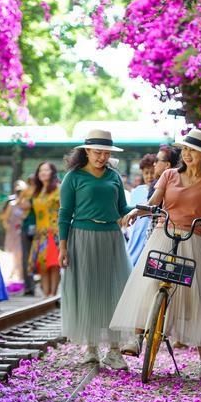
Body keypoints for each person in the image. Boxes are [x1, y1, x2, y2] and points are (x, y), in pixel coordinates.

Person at [110, 128, 201, 380]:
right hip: (163, 235)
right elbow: (153, 202)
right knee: (147, 285)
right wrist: (136, 212)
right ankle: (137, 337)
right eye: (184, 149)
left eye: (192, 151)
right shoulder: (170, 175)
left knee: (195, 298)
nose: (186, 154)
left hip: (191, 239)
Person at [58, 129, 133, 370]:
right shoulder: (74, 177)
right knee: (88, 289)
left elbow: (123, 206)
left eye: (106, 153)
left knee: (115, 290)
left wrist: (133, 212)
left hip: (111, 237)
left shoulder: (114, 176)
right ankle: (90, 348)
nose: (102, 157)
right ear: (87, 152)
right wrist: (63, 246)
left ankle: (114, 350)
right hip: (81, 237)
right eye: (97, 152)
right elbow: (64, 214)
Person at [29, 162, 60, 297]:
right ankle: (46, 295)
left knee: (54, 265)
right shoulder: (36, 191)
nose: (43, 173)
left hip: (54, 232)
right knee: (42, 265)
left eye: (46, 170)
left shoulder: (58, 189)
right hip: (40, 233)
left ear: (52, 173)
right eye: (40, 170)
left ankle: (52, 295)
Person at [125, 153, 156, 267]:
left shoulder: (159, 191)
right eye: (146, 173)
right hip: (136, 233)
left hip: (152, 232)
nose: (149, 176)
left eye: (152, 172)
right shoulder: (137, 191)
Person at [1, 180, 27, 285]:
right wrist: (8, 227)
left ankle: (20, 278)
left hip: (23, 233)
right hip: (13, 233)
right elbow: (4, 218)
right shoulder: (11, 203)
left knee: (21, 256)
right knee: (14, 255)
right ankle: (16, 278)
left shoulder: (26, 203)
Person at [19, 174, 36, 295]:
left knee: (38, 258)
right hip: (27, 226)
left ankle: (33, 286)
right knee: (26, 258)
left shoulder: (45, 192)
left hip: (41, 228)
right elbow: (22, 206)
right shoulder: (26, 192)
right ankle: (29, 287)